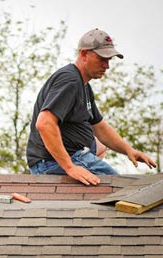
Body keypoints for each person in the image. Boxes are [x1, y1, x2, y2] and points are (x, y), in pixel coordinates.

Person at [26, 28, 156, 186]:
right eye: (102, 58)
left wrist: (129, 150)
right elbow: (44, 123)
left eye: (109, 60)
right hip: (51, 164)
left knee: (99, 146)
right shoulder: (70, 80)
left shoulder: (83, 85)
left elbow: (100, 127)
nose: (107, 65)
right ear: (83, 54)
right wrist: (70, 167)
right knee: (122, 189)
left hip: (73, 157)